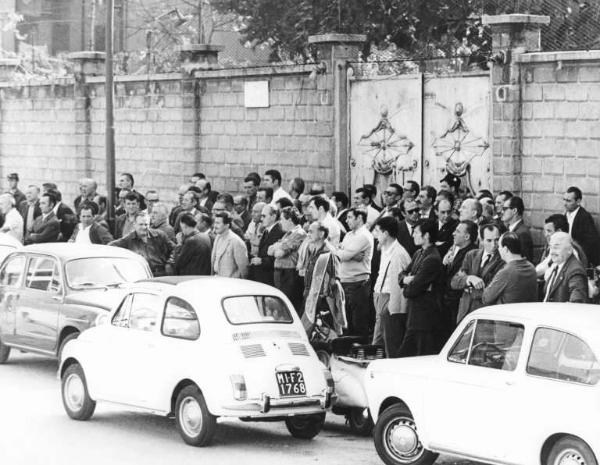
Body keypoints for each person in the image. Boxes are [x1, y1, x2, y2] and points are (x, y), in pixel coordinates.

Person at [398, 219, 443, 357]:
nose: (413, 236)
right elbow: (401, 275)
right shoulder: (419, 253)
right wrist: (406, 279)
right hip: (415, 314)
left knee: (419, 354)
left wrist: (407, 284)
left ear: (426, 235)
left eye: (416, 232)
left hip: (424, 316)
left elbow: (412, 290)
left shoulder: (432, 258)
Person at [372, 216, 411, 357]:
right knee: (379, 335)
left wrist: (391, 306)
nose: (374, 234)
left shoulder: (399, 254)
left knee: (385, 338)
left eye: (377, 231)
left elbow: (401, 284)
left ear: (386, 233)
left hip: (390, 298)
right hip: (379, 294)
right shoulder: (384, 248)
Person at [452, 223, 505, 323]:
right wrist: (469, 278)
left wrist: (468, 288)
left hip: (485, 316)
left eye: (496, 240)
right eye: (489, 240)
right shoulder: (471, 255)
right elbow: (454, 282)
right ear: (481, 240)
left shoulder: (503, 260)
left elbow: (490, 291)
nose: (494, 245)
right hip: (465, 313)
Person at [301, 221, 346, 336]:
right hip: (311, 296)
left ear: (321, 234)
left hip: (322, 300)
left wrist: (323, 298)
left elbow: (334, 278)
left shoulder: (329, 252)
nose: (308, 233)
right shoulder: (314, 249)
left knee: (325, 332)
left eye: (311, 231)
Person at [335, 209, 374, 337]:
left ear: (359, 218)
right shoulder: (349, 235)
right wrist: (349, 253)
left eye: (350, 217)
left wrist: (346, 253)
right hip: (345, 282)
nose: (346, 220)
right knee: (347, 321)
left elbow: (343, 255)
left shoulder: (364, 235)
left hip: (357, 284)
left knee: (358, 322)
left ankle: (359, 351)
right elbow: (339, 250)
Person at [440, 220, 478, 342]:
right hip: (448, 303)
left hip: (457, 303)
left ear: (467, 236)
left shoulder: (471, 253)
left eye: (457, 231)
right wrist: (444, 264)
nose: (453, 234)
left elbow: (458, 278)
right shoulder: (456, 250)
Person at [482, 232, 537, 306]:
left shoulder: (506, 272)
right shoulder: (531, 268)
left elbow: (486, 298)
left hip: (506, 314)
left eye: (499, 247)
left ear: (505, 249)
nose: (498, 250)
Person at [110, 212, 173, 276]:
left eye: (146, 224)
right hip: (142, 276)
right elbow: (110, 247)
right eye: (141, 224)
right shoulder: (128, 240)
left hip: (162, 274)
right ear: (134, 225)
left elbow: (175, 249)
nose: (144, 227)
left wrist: (169, 263)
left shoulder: (160, 235)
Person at [269, 207, 307, 313]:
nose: (280, 223)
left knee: (288, 305)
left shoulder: (299, 233)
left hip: (289, 273)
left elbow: (279, 253)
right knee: (281, 304)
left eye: (282, 219)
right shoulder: (287, 234)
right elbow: (270, 251)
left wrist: (278, 246)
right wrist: (280, 245)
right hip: (280, 272)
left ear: (290, 219)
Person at [542, 232, 588, 303]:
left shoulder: (575, 271)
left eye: (556, 247)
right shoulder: (557, 266)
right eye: (550, 247)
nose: (551, 252)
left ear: (569, 250)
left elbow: (576, 303)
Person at [564, 186, 600, 267]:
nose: (565, 204)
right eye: (564, 200)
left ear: (578, 201)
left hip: (578, 257)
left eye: (569, 201)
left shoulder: (584, 217)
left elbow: (591, 243)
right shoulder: (565, 215)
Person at [249, 204, 284, 286]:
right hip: (262, 276)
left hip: (270, 279)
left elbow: (277, 258)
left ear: (273, 216)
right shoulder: (266, 230)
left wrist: (262, 261)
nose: (261, 219)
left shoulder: (279, 232)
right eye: (261, 216)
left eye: (264, 216)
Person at [211, 212, 249, 278]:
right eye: (215, 223)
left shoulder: (236, 241)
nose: (215, 226)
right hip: (217, 279)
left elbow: (244, 268)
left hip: (231, 283)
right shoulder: (217, 237)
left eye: (218, 223)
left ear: (227, 225)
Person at [501, 196, 534, 262]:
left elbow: (526, 261)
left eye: (504, 208)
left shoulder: (522, 233)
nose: (502, 211)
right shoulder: (511, 229)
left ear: (514, 210)